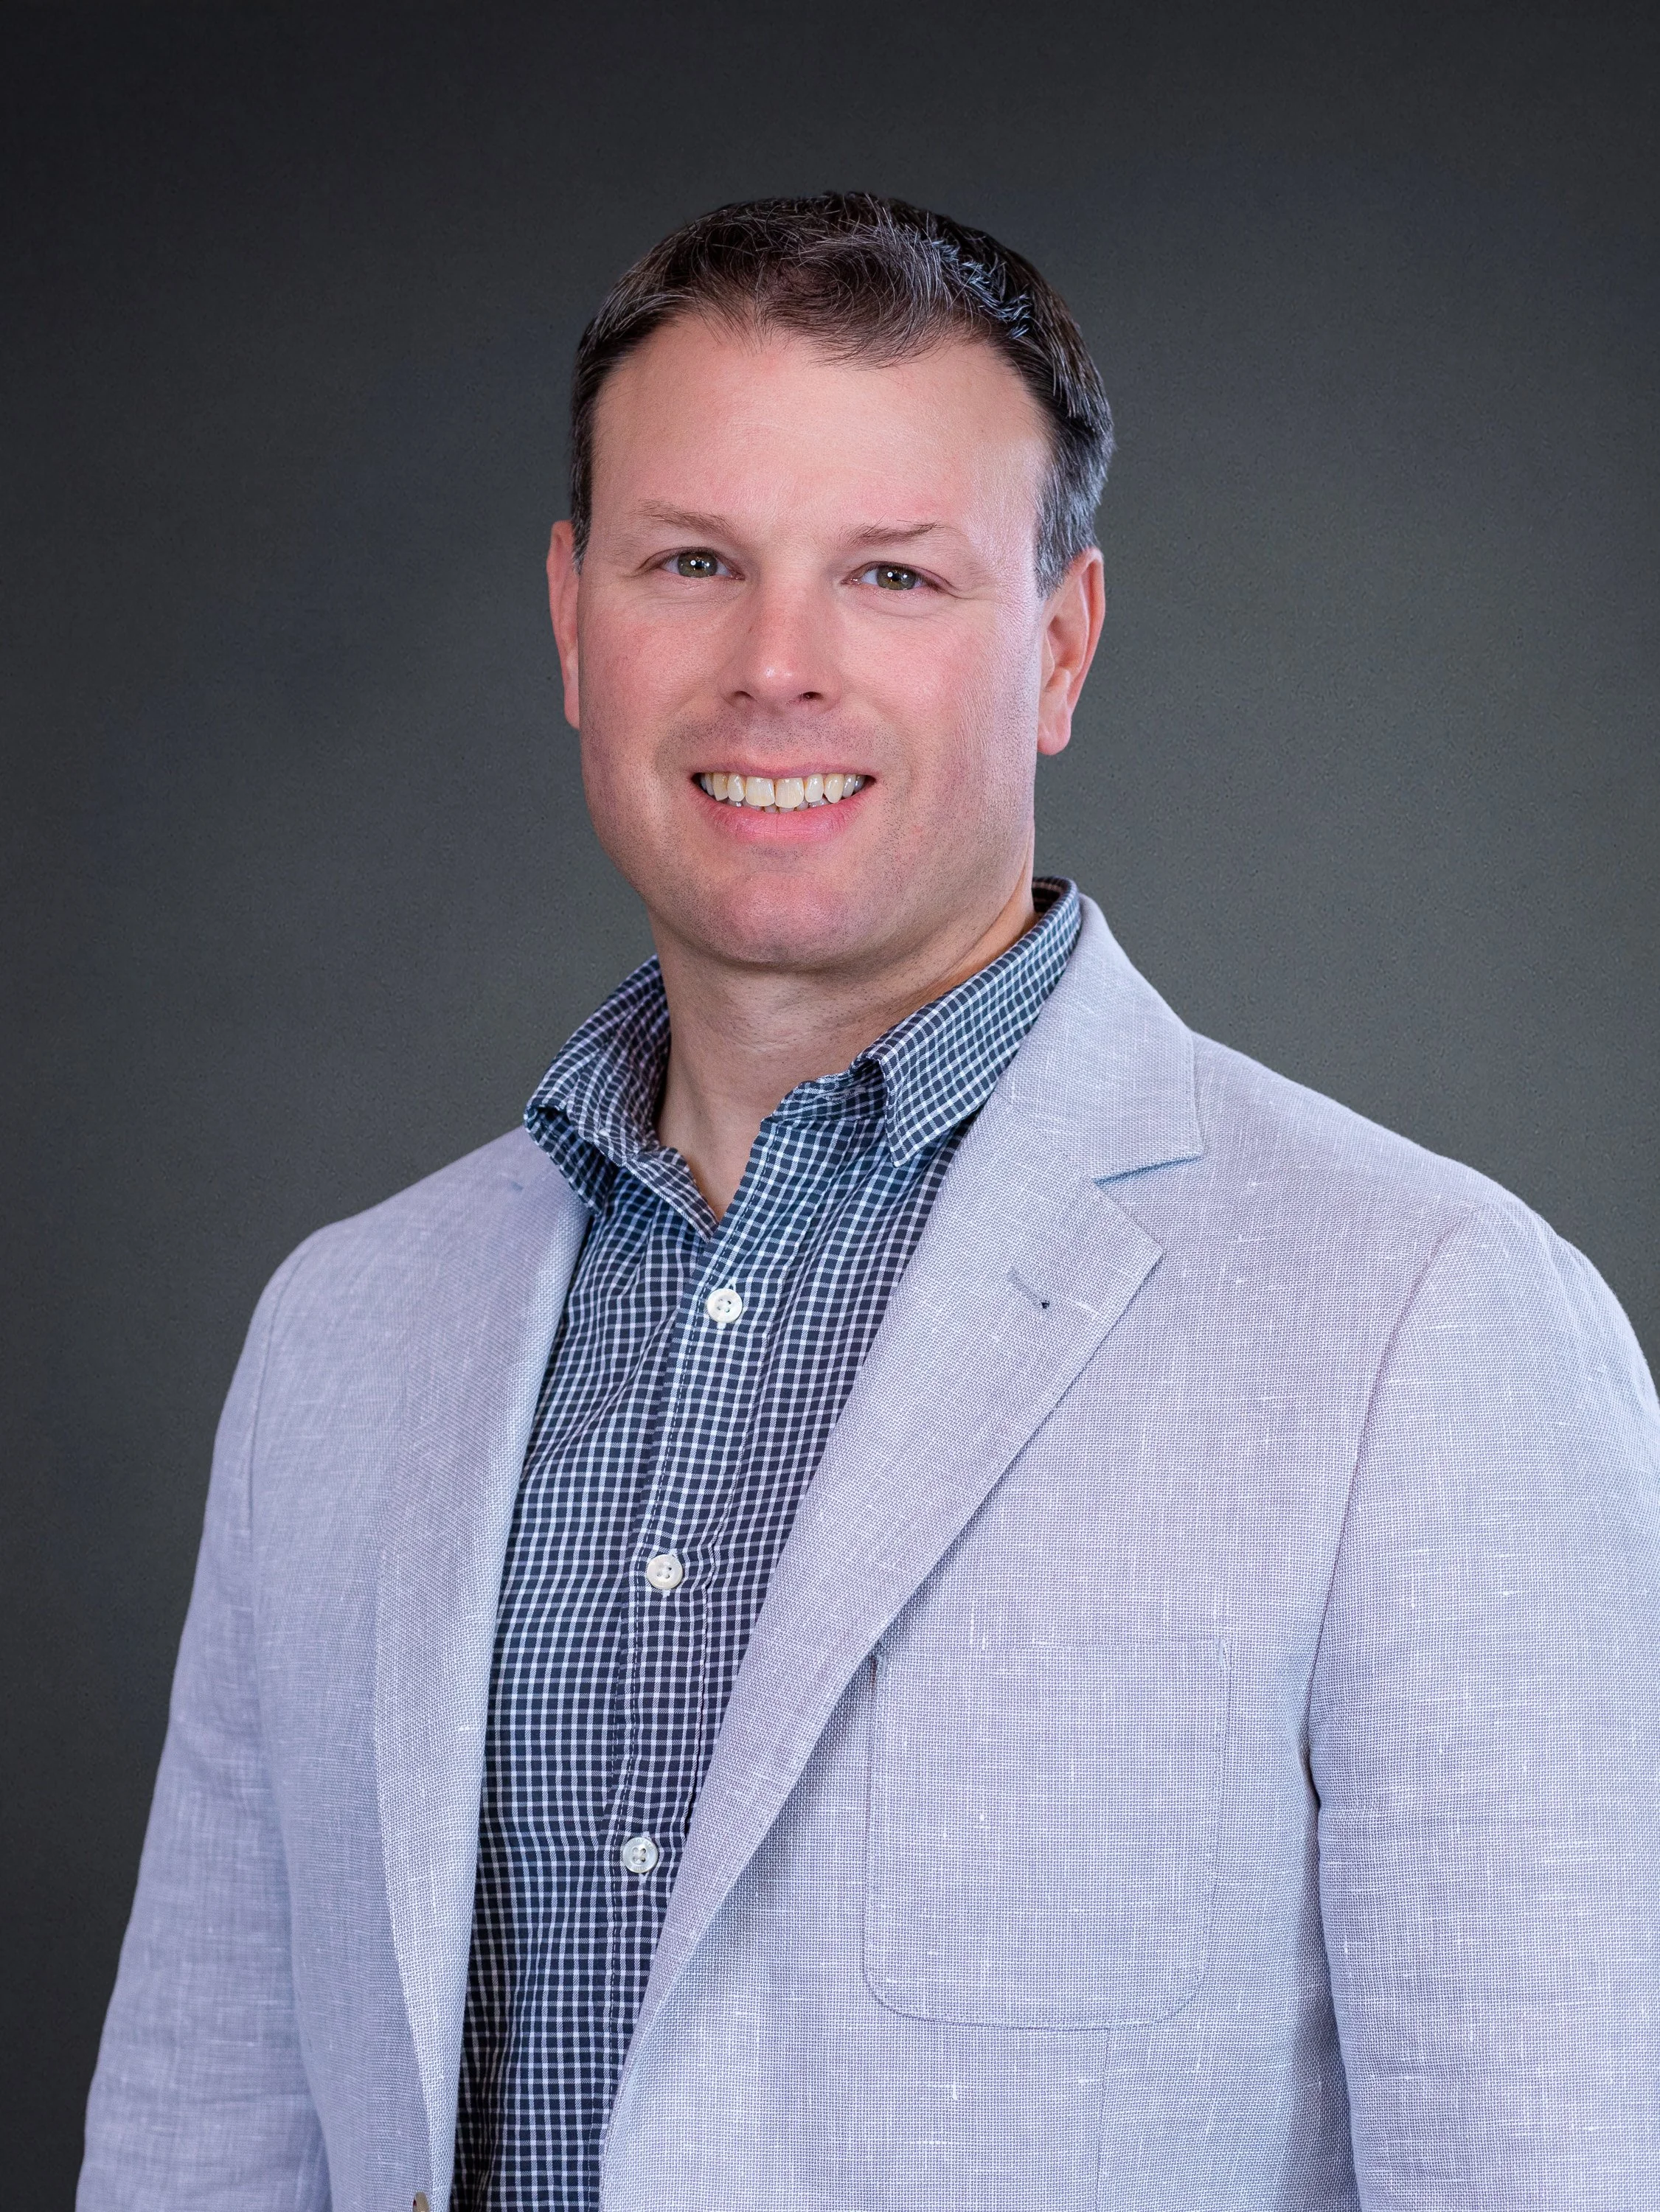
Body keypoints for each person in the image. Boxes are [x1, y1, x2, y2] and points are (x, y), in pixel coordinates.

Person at [80, 192, 1660, 2212]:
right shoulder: (343, 1329)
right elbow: (207, 2139)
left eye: (895, 574)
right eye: (693, 563)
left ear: (1061, 642)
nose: (776, 667)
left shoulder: (1421, 1312)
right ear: (574, 619)